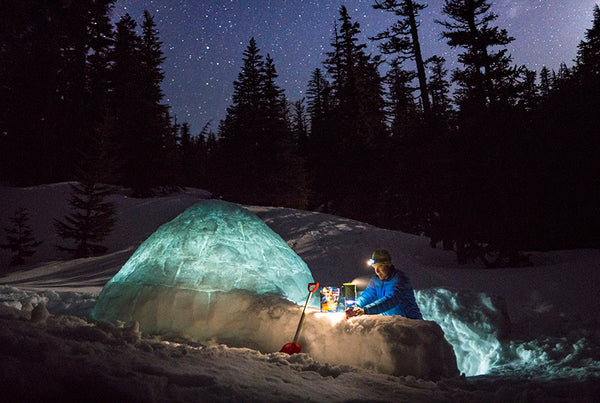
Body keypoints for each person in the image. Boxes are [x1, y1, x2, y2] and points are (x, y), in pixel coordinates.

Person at [346, 249, 422, 319]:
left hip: (411, 324)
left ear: (388, 265)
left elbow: (391, 299)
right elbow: (367, 295)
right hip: (393, 323)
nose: (377, 271)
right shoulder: (376, 280)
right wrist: (356, 305)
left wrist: (365, 311)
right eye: (374, 267)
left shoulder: (400, 279)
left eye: (380, 266)